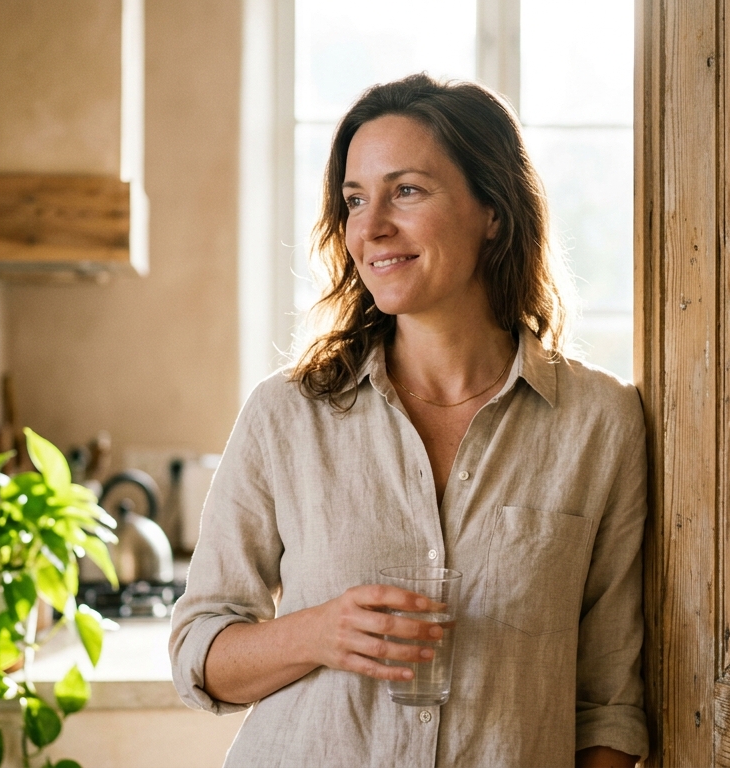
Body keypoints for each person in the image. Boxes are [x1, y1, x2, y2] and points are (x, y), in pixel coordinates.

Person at [170, 73, 647, 768]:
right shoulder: (287, 414)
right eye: (355, 200)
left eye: (408, 191)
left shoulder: (600, 424)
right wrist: (317, 634)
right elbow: (198, 654)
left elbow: (609, 702)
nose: (371, 227)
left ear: (493, 209)